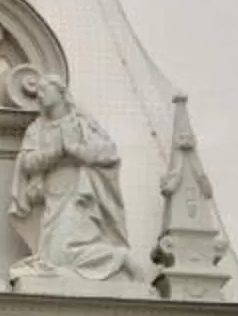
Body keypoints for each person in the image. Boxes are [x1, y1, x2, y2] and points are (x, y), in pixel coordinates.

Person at [8, 73, 144, 287]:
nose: (39, 95)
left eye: (45, 90)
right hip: (52, 196)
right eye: (38, 92)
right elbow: (27, 162)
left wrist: (76, 150)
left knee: (63, 253)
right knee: (54, 256)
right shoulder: (37, 129)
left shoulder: (81, 123)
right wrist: (56, 152)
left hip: (79, 194)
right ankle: (116, 260)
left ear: (60, 92)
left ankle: (120, 260)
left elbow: (107, 153)